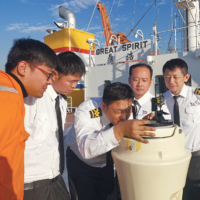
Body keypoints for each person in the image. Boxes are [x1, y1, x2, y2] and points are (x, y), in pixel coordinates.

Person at [65, 82, 156, 200]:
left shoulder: (129, 110)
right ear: (104, 106)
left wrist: (140, 125)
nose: (124, 116)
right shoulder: (87, 110)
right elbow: (85, 148)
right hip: (82, 164)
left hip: (107, 163)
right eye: (118, 111)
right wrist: (120, 130)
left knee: (107, 194)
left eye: (127, 110)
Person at [23, 51, 86, 200]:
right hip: (32, 183)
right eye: (71, 81)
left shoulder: (62, 102)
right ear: (55, 75)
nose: (75, 86)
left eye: (77, 81)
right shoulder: (34, 98)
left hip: (55, 177)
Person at [0, 38, 57, 200]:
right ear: (23, 67)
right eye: (48, 74)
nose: (50, 82)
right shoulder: (7, 98)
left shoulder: (11, 93)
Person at [161, 58, 200, 200]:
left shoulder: (196, 95)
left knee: (196, 190)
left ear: (186, 77)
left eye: (176, 77)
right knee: (176, 191)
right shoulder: (161, 101)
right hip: (172, 155)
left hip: (196, 157)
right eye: (167, 77)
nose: (171, 81)